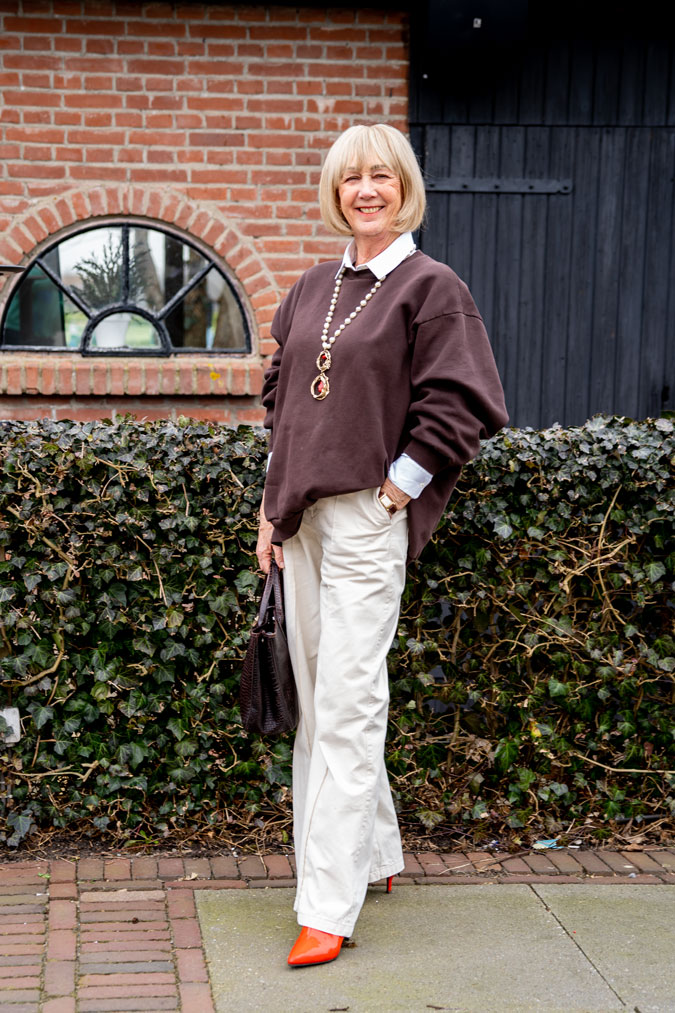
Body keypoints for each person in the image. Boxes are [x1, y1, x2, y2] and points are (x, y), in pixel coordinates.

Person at [256, 123, 508, 967]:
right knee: (324, 697)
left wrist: (398, 487)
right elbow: (281, 398)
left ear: (404, 186)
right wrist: (270, 508)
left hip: (367, 518)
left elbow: (464, 401)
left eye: (380, 176)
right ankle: (379, 852)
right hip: (302, 521)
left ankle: (327, 901)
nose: (365, 189)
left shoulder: (430, 287)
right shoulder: (311, 287)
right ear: (334, 191)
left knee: (347, 705)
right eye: (350, 178)